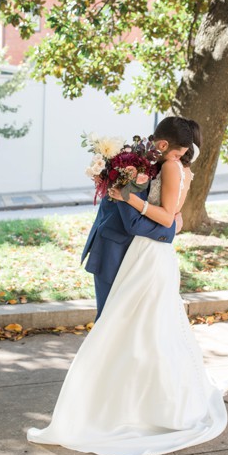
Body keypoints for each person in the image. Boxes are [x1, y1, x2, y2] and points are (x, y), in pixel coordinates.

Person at [27, 117, 228, 455]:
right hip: (121, 253)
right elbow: (164, 218)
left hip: (140, 255)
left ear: (164, 145)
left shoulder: (164, 167)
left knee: (127, 333)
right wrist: (167, 224)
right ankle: (116, 405)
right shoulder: (140, 164)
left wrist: (158, 218)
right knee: (118, 331)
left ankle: (122, 409)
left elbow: (163, 216)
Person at [80, 117, 190, 319]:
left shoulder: (155, 164)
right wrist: (171, 227)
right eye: (176, 155)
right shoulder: (131, 166)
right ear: (163, 145)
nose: (177, 161)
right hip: (112, 252)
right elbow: (133, 223)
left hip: (133, 255)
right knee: (108, 323)